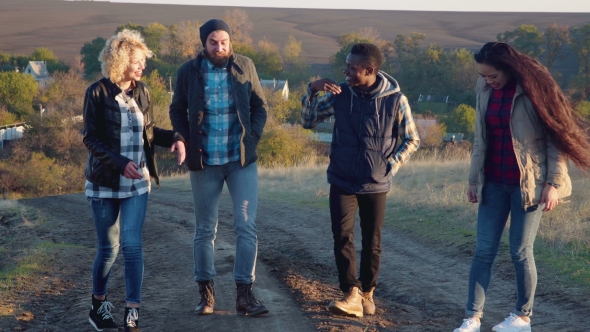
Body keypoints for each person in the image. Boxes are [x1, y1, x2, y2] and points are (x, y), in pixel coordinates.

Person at [454, 42, 590, 332]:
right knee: (483, 250)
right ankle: (472, 318)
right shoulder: (483, 89)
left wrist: (552, 183)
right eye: (484, 76)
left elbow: (556, 139)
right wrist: (473, 180)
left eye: (492, 76)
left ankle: (522, 317)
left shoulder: (533, 91)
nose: (488, 81)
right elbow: (480, 139)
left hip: (527, 185)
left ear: (508, 67)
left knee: (519, 251)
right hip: (492, 181)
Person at [301, 43, 420, 318]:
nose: (345, 71)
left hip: (375, 182)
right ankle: (350, 293)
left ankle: (367, 293)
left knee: (372, 240)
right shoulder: (340, 94)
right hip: (341, 179)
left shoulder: (395, 99)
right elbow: (308, 122)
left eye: (352, 68)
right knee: (342, 236)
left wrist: (390, 165)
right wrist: (312, 89)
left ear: (370, 70)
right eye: (346, 65)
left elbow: (412, 139)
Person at [83, 29, 185, 332]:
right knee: (108, 249)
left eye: (143, 62)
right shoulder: (97, 92)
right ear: (120, 61)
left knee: (132, 244)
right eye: (137, 62)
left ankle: (132, 311)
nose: (142, 67)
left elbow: (150, 132)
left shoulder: (143, 91)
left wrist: (177, 138)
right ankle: (98, 305)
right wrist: (119, 163)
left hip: (137, 183)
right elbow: (91, 138)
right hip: (104, 182)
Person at [169, 19, 269, 317]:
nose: (219, 47)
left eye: (224, 41)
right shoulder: (189, 71)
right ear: (204, 44)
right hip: (203, 161)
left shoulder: (245, 65)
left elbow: (259, 106)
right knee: (204, 229)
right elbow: (177, 109)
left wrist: (252, 138)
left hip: (239, 160)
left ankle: (244, 295)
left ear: (230, 42)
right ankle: (206, 295)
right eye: (213, 42)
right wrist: (180, 136)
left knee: (246, 226)